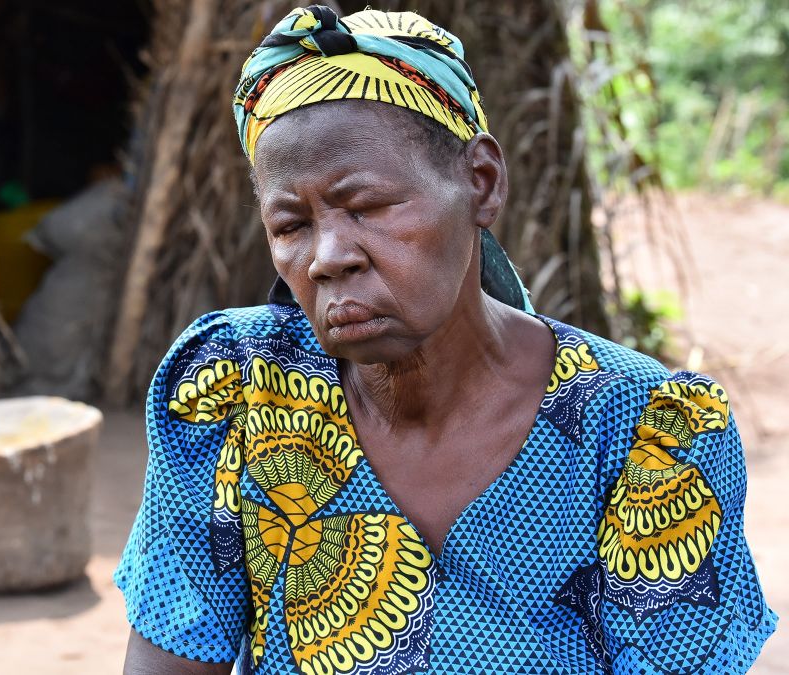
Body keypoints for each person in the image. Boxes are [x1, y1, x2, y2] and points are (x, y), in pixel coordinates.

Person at [115, 6, 777, 674]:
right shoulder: (235, 390)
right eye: (291, 224)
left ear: (480, 183)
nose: (327, 256)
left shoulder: (645, 431)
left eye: (367, 207)